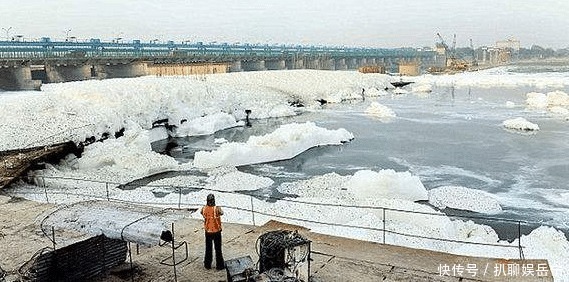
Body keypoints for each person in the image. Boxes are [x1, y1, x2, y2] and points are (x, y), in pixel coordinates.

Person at [201, 193, 225, 270]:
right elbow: (222, 213)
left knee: (208, 249)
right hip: (216, 232)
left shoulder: (204, 209)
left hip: (208, 232)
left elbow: (202, 213)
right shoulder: (217, 209)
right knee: (218, 249)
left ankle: (207, 265)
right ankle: (220, 266)